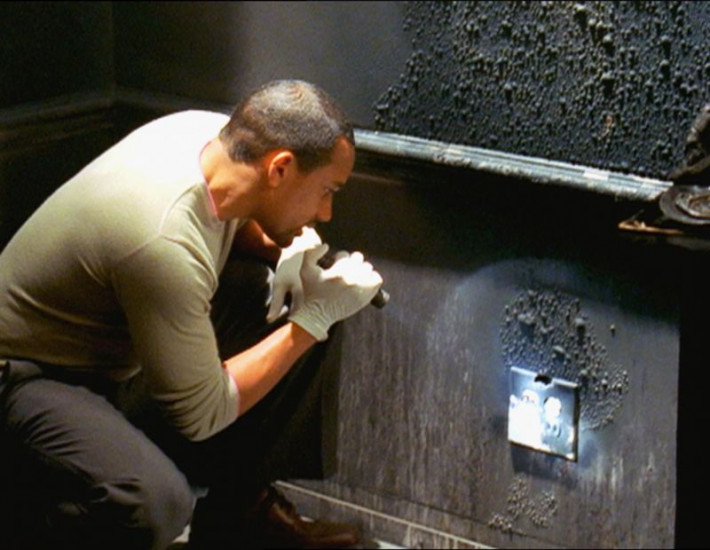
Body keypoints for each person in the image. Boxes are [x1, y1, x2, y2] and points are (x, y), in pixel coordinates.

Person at [0, 79, 383, 549]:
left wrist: (285, 253)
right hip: (26, 377)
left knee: (304, 297)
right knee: (152, 504)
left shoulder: (212, 139)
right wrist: (313, 321)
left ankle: (240, 515)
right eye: (327, 190)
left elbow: (228, 221)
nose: (326, 212)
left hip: (112, 354)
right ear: (281, 168)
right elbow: (202, 414)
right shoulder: (162, 241)